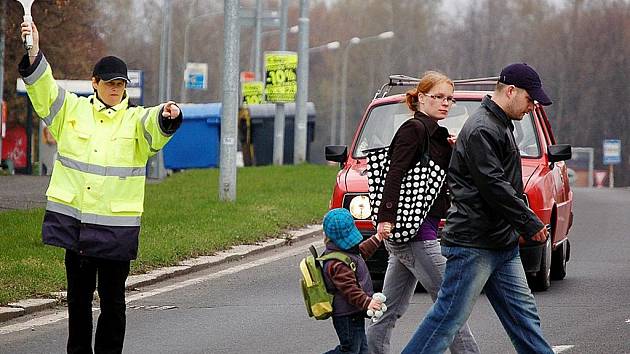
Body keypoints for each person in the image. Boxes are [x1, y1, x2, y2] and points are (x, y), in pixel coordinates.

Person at [19, 22, 182, 354]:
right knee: (77, 304)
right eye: (109, 83)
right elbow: (44, 90)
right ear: (94, 83)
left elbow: (154, 123)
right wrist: (33, 50)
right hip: (76, 229)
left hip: (115, 232)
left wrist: (168, 115)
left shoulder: (135, 120)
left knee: (113, 304)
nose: (115, 89)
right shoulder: (73, 111)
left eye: (121, 84)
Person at [402, 63, 555, 354]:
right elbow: (494, 187)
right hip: (473, 245)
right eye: (530, 99)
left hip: (501, 243)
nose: (533, 107)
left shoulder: (500, 125)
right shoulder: (483, 129)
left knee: (525, 322)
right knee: (446, 321)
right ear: (510, 91)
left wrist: (520, 224)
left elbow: (506, 185)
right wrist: (530, 223)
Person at [366, 71, 479, 354]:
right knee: (451, 303)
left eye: (449, 99)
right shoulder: (414, 130)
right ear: (420, 98)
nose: (445, 104)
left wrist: (454, 151)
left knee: (389, 309)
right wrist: (386, 217)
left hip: (415, 229)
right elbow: (394, 174)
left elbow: (450, 181)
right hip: (415, 233)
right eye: (438, 97)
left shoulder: (437, 136)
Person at [322, 208, 387, 354]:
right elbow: (349, 290)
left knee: (362, 349)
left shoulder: (346, 252)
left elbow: (362, 252)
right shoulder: (336, 263)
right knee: (350, 350)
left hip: (354, 312)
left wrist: (378, 237)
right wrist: (367, 302)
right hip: (346, 316)